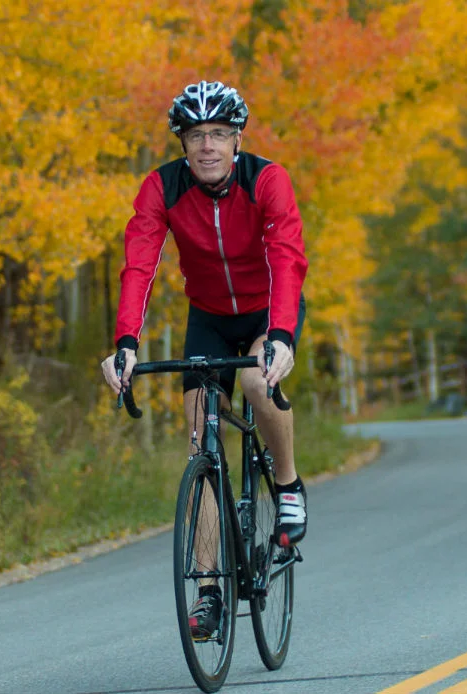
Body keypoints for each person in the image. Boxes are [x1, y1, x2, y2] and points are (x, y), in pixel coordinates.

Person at [99, 80, 309, 641]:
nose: (208, 146)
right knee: (200, 438)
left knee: (260, 387)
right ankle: (210, 593)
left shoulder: (267, 179)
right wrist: (125, 343)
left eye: (218, 134)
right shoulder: (161, 188)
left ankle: (287, 487)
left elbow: (287, 257)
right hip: (210, 316)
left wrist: (281, 335)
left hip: (269, 308)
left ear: (237, 139)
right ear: (183, 143)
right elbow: (139, 266)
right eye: (196, 136)